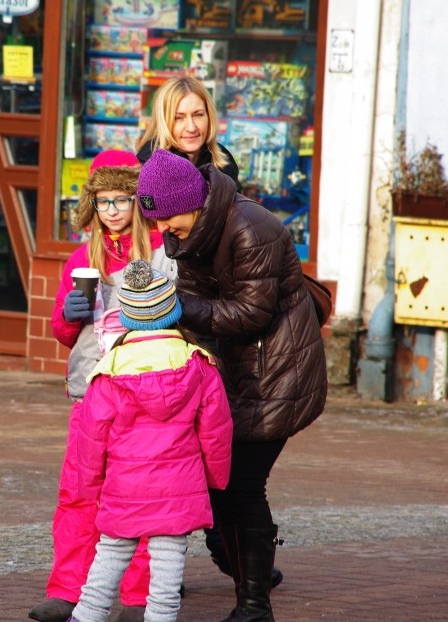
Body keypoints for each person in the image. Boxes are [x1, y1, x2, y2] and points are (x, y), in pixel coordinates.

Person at [135, 149, 328, 622]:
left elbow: (251, 313)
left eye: (166, 219)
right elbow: (202, 304)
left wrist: (176, 309)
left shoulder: (250, 227)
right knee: (222, 485)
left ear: (190, 202)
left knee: (240, 486)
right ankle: (251, 580)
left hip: (277, 374)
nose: (163, 231)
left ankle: (254, 603)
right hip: (236, 373)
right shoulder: (194, 232)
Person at [30, 150, 176, 622]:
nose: (112, 210)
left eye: (121, 199)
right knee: (79, 490)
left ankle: (136, 597)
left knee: (140, 495)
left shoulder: (160, 249)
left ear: (139, 200)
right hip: (92, 392)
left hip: (145, 389)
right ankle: (67, 590)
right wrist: (69, 315)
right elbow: (62, 329)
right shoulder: (81, 256)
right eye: (102, 201)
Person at [68, 259, 233, 622]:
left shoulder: (109, 370)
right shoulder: (199, 363)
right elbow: (217, 430)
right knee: (170, 557)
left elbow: (91, 438)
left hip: (125, 483)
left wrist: (90, 485)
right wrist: (215, 479)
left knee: (111, 550)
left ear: (127, 317)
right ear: (172, 312)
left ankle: (87, 615)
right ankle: (160, 617)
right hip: (180, 481)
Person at [135, 74, 241, 187]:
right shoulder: (147, 166)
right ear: (163, 122)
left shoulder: (223, 160)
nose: (191, 128)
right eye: (178, 118)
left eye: (198, 115)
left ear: (209, 116)